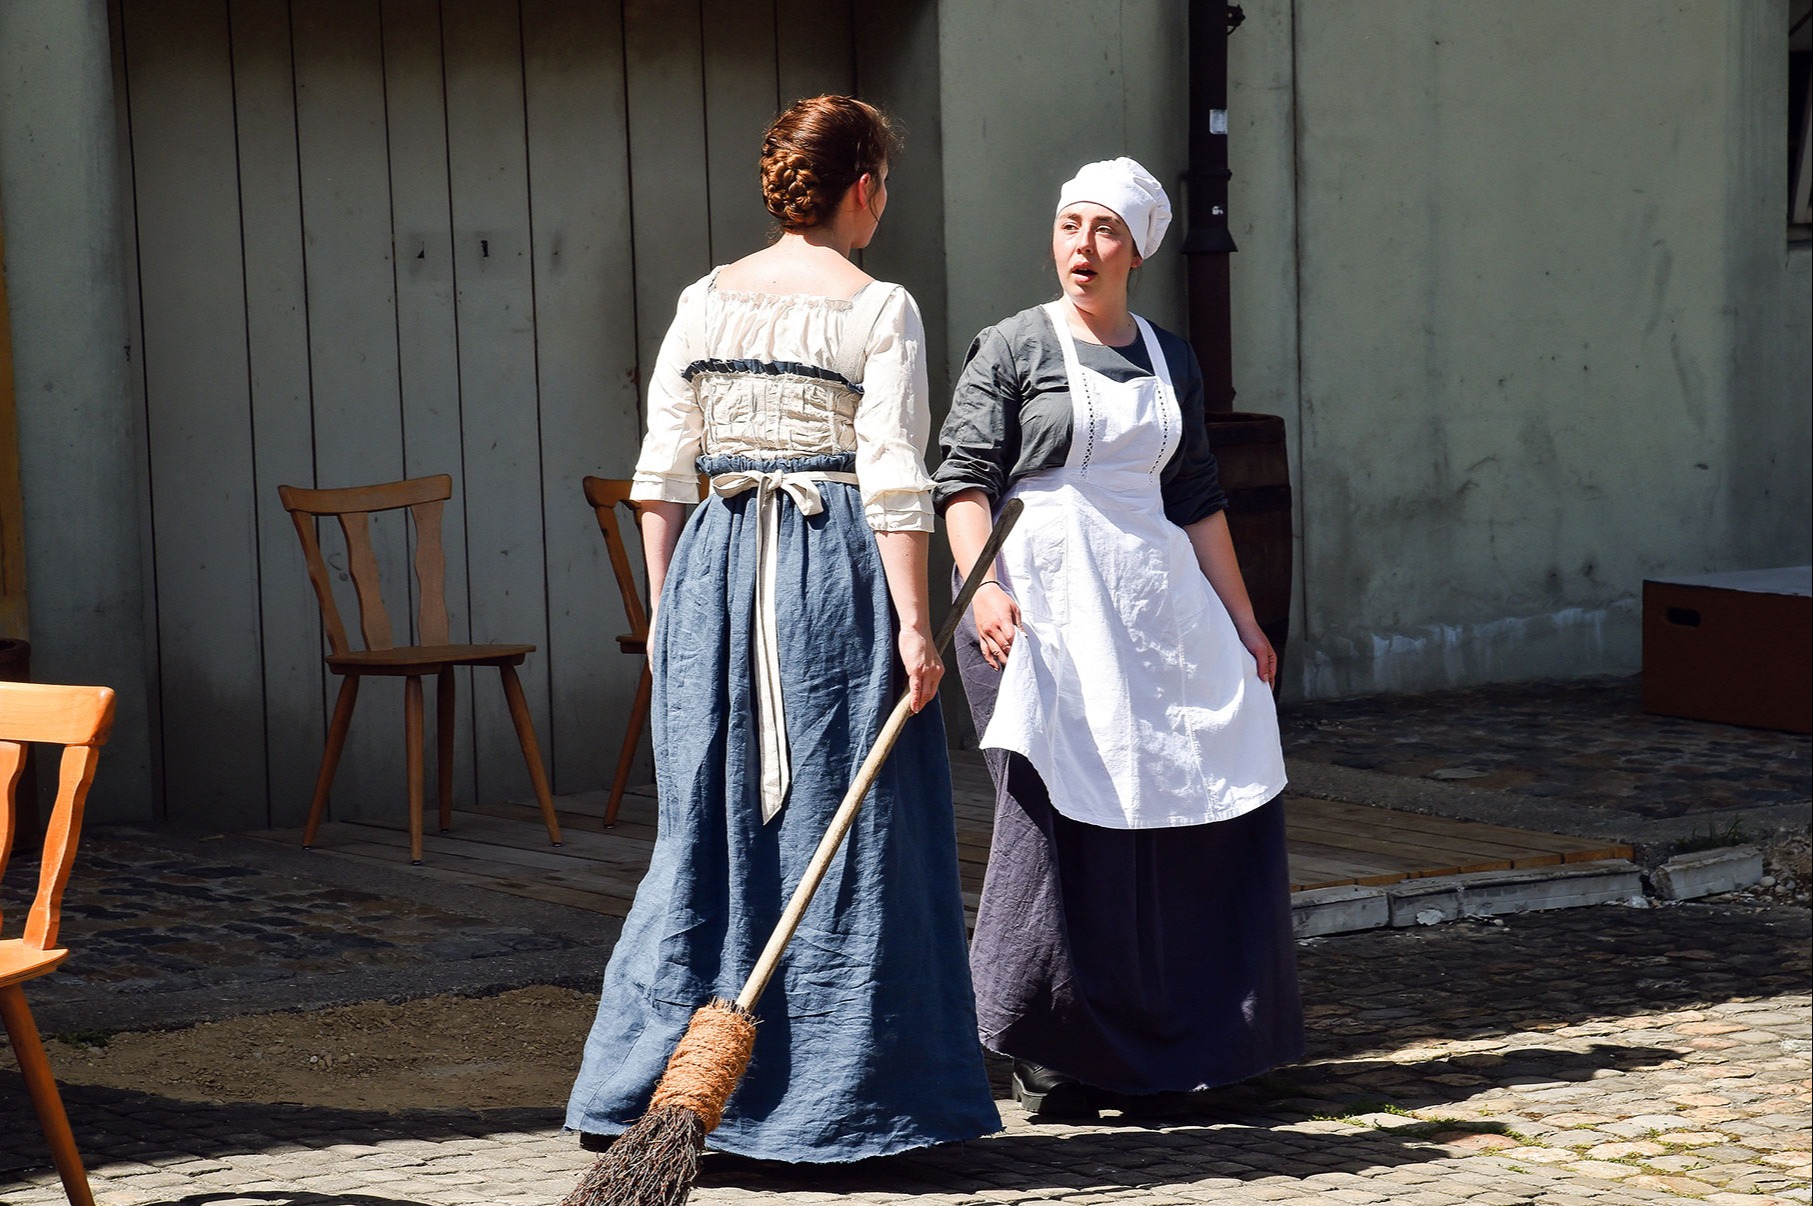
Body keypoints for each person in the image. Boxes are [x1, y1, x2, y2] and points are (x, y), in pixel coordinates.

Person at [566, 95, 999, 1160]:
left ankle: (653, 1082)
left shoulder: (703, 300)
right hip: (830, 581)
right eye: (884, 187)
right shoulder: (877, 306)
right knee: (850, 828)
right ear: (862, 189)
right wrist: (914, 626)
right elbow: (895, 480)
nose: (882, 207)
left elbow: (660, 477)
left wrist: (670, 614)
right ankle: (847, 1098)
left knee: (709, 824)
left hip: (714, 571)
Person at [934, 156, 1303, 1118]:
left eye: (1104, 231)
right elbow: (963, 480)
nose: (1081, 248)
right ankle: (1051, 1039)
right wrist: (981, 594)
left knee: (1193, 795)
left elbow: (1195, 499)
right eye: (1069, 227)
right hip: (1039, 610)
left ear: (1137, 249)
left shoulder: (1171, 356)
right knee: (1058, 820)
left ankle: (1192, 1031)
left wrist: (1243, 619)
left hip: (1153, 606)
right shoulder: (1014, 346)